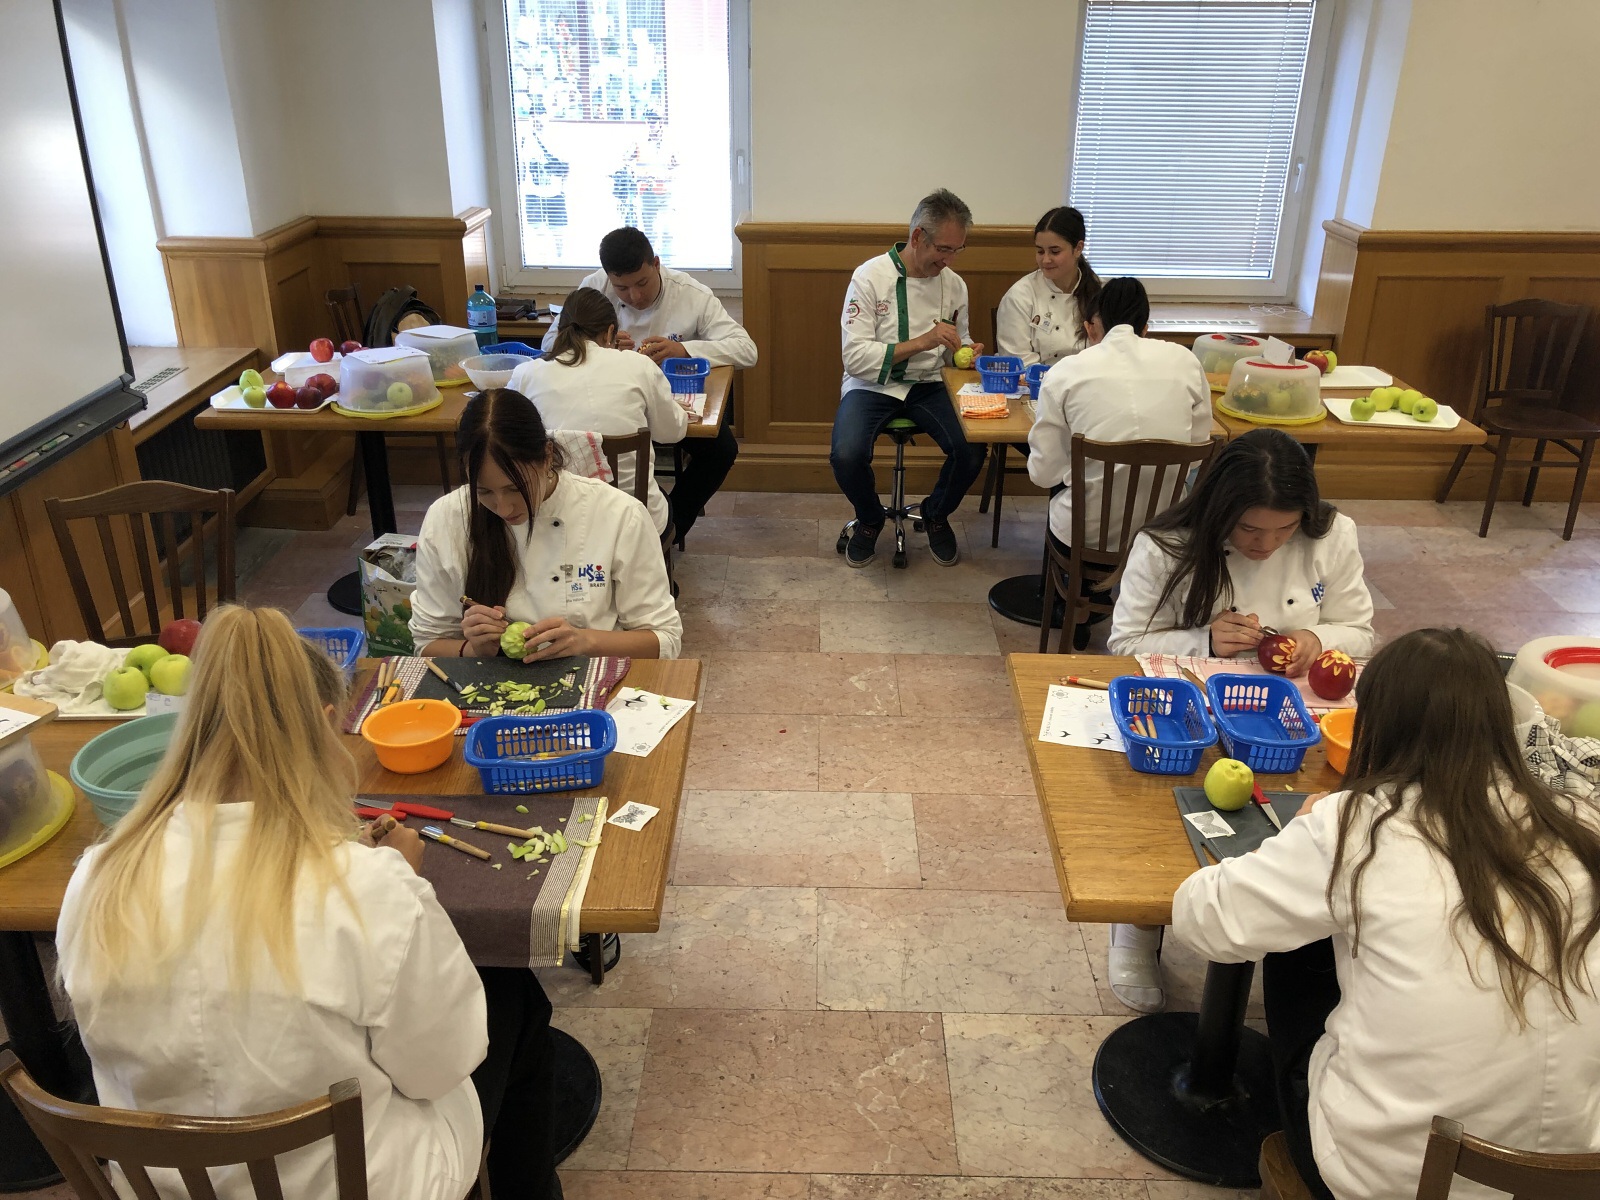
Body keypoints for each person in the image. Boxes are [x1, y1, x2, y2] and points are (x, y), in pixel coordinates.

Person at [54, 606, 505, 1200]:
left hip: (169, 1187)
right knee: (511, 1012)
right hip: (354, 1186)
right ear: (325, 723)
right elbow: (441, 1064)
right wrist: (402, 881)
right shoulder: (368, 889)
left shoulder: (96, 876)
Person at [1175, 628, 1600, 1200]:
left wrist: (1303, 834)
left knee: (1296, 944)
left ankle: (1247, 1091)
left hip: (1395, 1179)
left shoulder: (1357, 826)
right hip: (1568, 1177)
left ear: (1374, 725)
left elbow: (1205, 920)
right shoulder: (1579, 822)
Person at [1104, 428, 1376, 1012]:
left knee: (1301, 815)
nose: (1266, 544)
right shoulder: (1166, 544)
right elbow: (1124, 642)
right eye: (1250, 529)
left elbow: (1361, 630)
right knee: (1161, 811)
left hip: (1286, 719)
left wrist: (1315, 636)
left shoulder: (1334, 535)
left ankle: (1276, 924)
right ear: (1218, 511)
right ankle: (1139, 924)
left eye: (1284, 529)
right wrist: (1202, 639)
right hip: (1190, 714)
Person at [411, 388, 681, 661]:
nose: (503, 508)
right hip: (488, 679)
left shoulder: (618, 514)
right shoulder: (446, 519)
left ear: (547, 455)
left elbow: (664, 640)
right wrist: (474, 649)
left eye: (516, 488)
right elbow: (426, 643)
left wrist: (584, 640)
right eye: (484, 492)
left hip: (593, 673)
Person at [1026, 277, 1212, 647]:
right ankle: (1151, 615)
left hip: (1087, 536)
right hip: (1168, 531)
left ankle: (1080, 608)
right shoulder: (1185, 362)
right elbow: (1196, 452)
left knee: (1071, 498)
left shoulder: (1066, 372)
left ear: (1092, 327)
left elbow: (1042, 473)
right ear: (1146, 327)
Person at [540, 227, 752, 545]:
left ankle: (670, 528)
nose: (635, 296)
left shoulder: (691, 293)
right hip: (612, 400)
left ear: (656, 264)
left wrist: (685, 349)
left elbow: (747, 350)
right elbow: (549, 344)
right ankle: (616, 524)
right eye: (622, 288)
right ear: (608, 278)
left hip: (668, 396)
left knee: (721, 450)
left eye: (642, 283)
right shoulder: (594, 287)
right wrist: (598, 347)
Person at [832, 188, 987, 567]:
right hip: (872, 385)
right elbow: (855, 358)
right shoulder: (869, 277)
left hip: (930, 384)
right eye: (944, 249)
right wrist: (923, 341)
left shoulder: (954, 284)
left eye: (957, 250)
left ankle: (935, 514)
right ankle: (870, 519)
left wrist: (967, 353)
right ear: (918, 237)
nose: (949, 260)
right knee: (846, 455)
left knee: (972, 449)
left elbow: (956, 344)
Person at [514, 287, 689, 538]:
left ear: (560, 331)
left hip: (557, 523)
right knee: (659, 498)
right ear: (609, 332)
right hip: (633, 522)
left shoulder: (526, 374)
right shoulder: (638, 366)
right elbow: (671, 433)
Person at [996, 206, 1102, 366]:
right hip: (1036, 379)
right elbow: (1017, 360)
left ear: (1078, 248)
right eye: (1040, 251)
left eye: (1055, 251)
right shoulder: (1020, 296)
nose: (1045, 260)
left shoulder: (1100, 293)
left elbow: (1109, 351)